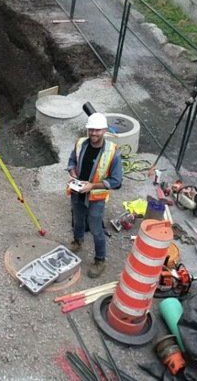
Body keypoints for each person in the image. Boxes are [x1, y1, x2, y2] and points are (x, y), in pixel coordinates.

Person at [66, 112, 123, 279]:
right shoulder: (80, 143)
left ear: (104, 130)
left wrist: (92, 186)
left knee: (96, 227)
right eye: (91, 130)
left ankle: (100, 260)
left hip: (96, 198)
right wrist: (72, 170)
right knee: (77, 219)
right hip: (77, 191)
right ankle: (78, 241)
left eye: (97, 130)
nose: (93, 133)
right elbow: (71, 161)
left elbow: (117, 181)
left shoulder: (113, 152)